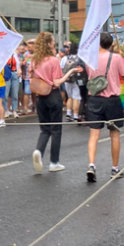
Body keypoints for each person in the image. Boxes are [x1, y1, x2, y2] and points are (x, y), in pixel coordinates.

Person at [29, 32, 83, 173]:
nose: (54, 43)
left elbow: (30, 76)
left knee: (45, 129)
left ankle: (39, 151)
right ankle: (54, 162)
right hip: (53, 95)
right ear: (48, 43)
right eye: (52, 41)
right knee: (56, 130)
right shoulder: (53, 60)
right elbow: (57, 81)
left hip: (40, 97)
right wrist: (70, 72)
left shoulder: (34, 60)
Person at [85, 33, 124, 182]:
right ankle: (114, 169)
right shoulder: (116, 58)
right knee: (115, 135)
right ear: (111, 44)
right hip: (112, 100)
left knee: (94, 135)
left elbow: (89, 76)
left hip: (94, 99)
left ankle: (91, 165)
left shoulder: (89, 59)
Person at [61, 43, 86, 122]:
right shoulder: (80, 58)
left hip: (67, 79)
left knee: (69, 96)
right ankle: (75, 115)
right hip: (76, 80)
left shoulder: (65, 58)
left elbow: (61, 67)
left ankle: (68, 113)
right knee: (77, 97)